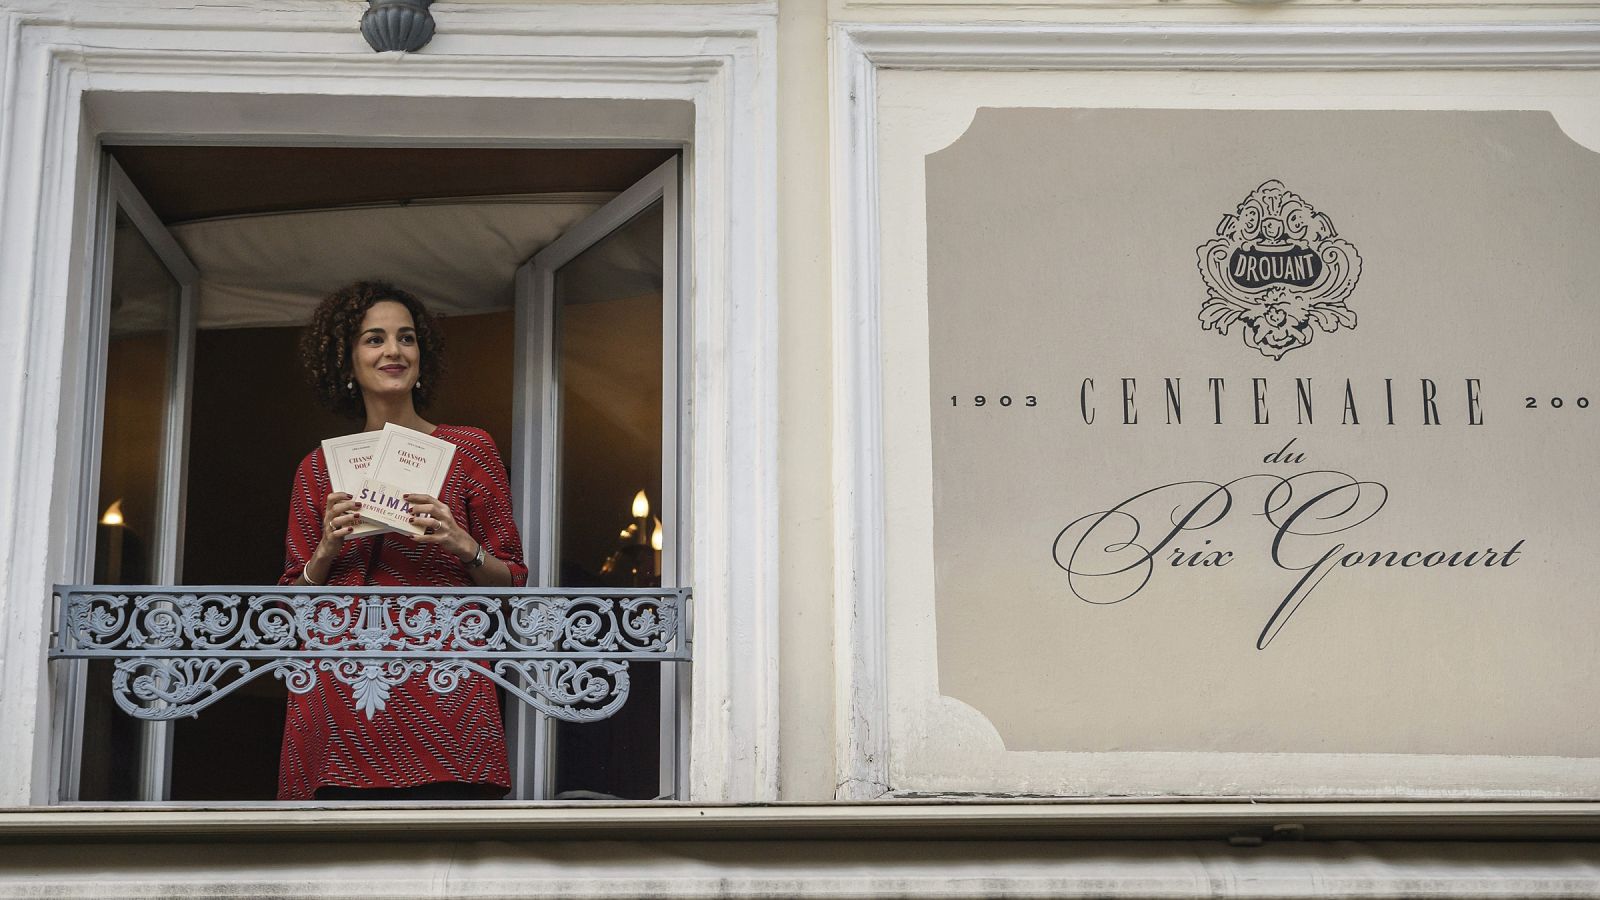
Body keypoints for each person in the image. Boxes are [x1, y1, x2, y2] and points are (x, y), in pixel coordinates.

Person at [277, 280, 527, 800]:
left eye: (406, 338)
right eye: (374, 339)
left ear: (422, 355)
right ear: (345, 362)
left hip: (445, 693)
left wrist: (462, 543)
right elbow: (290, 607)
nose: (393, 350)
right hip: (341, 696)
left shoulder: (468, 449)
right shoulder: (318, 469)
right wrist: (325, 549)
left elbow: (513, 583)